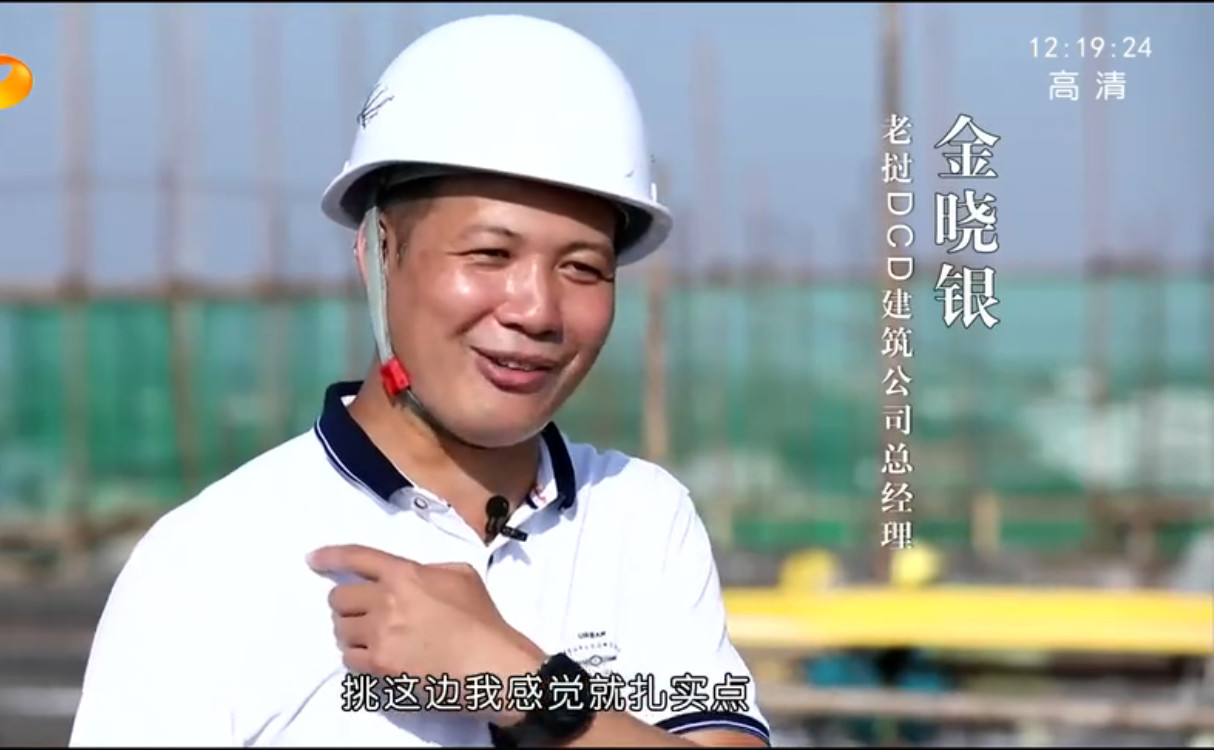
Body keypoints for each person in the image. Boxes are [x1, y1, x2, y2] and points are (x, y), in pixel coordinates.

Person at [69, 13, 772, 749]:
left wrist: (519, 684)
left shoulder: (637, 517)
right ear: (378, 254)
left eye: (582, 268)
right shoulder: (211, 561)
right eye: (490, 254)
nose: (536, 310)